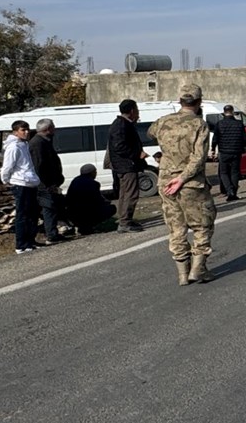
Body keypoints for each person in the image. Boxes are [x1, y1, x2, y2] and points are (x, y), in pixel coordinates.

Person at [149, 83, 217, 286]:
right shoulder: (199, 125)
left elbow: (150, 134)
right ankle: (198, 268)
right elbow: (199, 157)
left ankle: (182, 273)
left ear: (179, 101)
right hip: (190, 184)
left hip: (165, 183)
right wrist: (183, 177)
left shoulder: (162, 122)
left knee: (176, 227)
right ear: (199, 101)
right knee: (203, 223)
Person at [0, 120, 41, 254]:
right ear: (15, 132)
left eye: (27, 129)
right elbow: (8, 166)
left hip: (30, 182)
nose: (27, 132)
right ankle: (21, 244)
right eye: (23, 130)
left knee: (31, 213)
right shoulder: (14, 147)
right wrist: (6, 180)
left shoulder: (24, 144)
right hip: (20, 183)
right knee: (22, 215)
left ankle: (30, 241)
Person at [107, 99, 147, 232]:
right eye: (136, 109)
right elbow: (119, 146)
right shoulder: (121, 125)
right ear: (132, 110)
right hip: (126, 165)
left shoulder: (123, 124)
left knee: (125, 193)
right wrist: (137, 154)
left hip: (125, 164)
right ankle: (125, 222)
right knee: (130, 193)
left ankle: (125, 218)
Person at [28, 118, 67, 243]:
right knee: (48, 207)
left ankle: (53, 232)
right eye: (53, 127)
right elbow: (40, 166)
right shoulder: (38, 144)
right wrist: (49, 184)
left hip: (48, 182)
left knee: (52, 207)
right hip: (43, 184)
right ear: (48, 129)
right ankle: (51, 235)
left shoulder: (45, 141)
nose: (55, 129)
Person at [211, 104, 246, 201]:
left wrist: (212, 149)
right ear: (232, 112)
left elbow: (215, 138)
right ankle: (234, 193)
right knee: (235, 173)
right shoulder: (239, 124)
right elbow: (244, 138)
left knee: (223, 173)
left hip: (224, 152)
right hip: (236, 151)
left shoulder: (219, 124)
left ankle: (229, 190)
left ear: (224, 113)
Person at [64, 164, 117, 234]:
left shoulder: (75, 180)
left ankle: (83, 226)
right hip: (88, 212)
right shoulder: (94, 183)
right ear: (92, 173)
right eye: (95, 171)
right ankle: (89, 226)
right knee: (111, 208)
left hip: (72, 213)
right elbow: (98, 200)